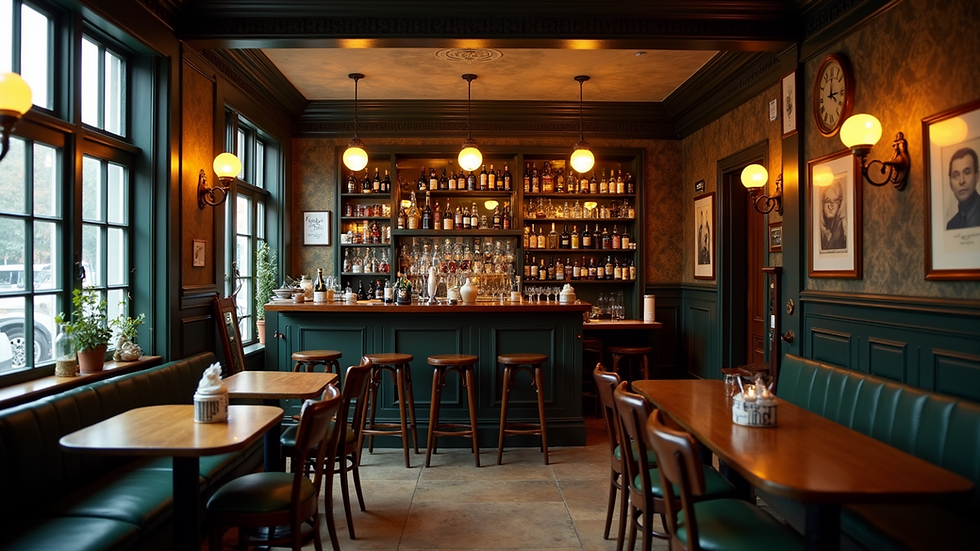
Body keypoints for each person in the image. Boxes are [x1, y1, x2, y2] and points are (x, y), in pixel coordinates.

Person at [946, 147, 980, 230]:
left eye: (967, 173)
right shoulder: (951, 225)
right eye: (956, 175)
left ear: (977, 176)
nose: (961, 181)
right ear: (950, 184)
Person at [820, 179, 847, 251]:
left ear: (840, 203)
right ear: (822, 202)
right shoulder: (818, 228)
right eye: (827, 200)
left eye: (835, 201)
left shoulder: (844, 227)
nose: (831, 206)